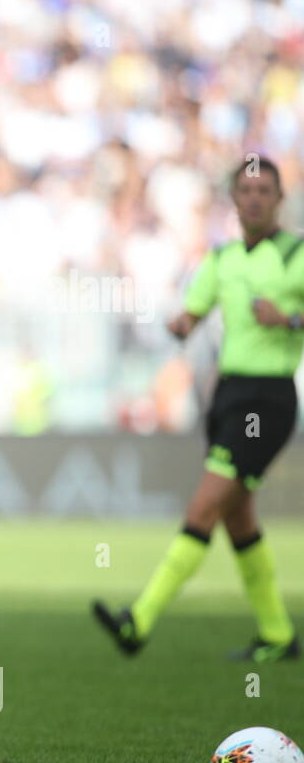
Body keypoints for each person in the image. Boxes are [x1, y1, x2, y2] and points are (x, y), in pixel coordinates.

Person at [93, 156, 302, 663]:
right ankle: (276, 633)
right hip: (227, 396)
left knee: (203, 508)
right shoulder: (221, 259)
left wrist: (292, 319)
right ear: (233, 198)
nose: (254, 198)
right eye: (246, 190)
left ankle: (139, 620)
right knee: (237, 520)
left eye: (264, 190)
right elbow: (191, 314)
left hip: (267, 401)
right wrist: (177, 325)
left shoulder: (296, 254)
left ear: (279, 198)